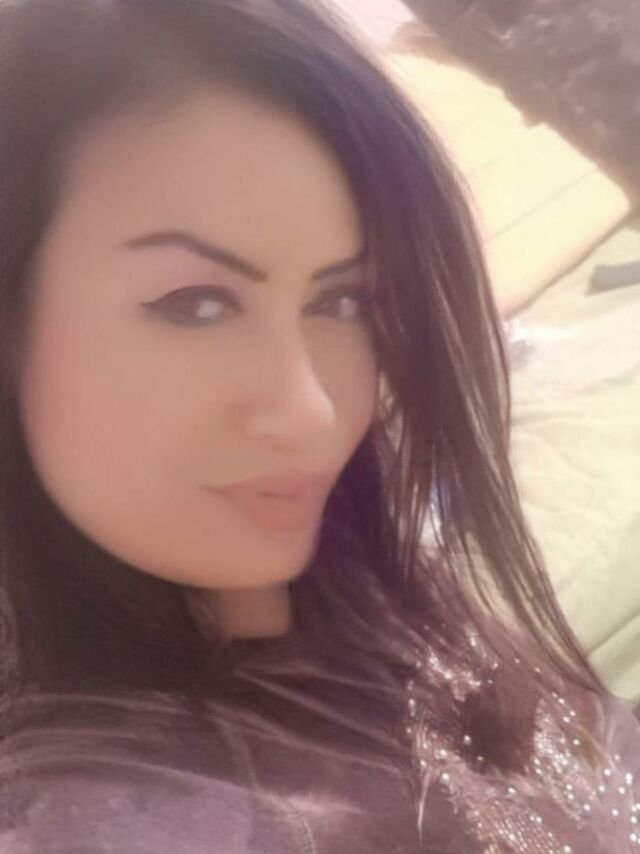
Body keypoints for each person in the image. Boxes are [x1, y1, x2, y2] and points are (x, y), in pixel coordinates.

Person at [0, 1, 638, 852]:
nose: (315, 410)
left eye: (344, 300)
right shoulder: (99, 814)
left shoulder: (354, 568)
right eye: (197, 305)